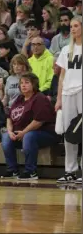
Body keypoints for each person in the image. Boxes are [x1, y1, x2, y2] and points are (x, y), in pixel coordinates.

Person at [55, 16, 82, 184]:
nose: (72, 29)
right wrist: (58, 99)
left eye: (76, 26)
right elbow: (61, 77)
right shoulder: (66, 50)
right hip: (67, 93)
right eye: (71, 26)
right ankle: (70, 170)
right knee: (69, 133)